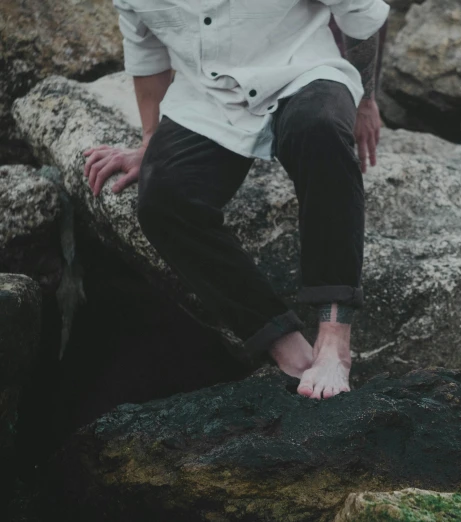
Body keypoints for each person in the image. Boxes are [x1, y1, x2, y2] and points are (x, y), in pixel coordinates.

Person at [82, 0, 390, 400]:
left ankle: (334, 338)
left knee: (321, 131)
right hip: (207, 101)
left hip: (304, 72)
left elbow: (363, 13)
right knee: (163, 199)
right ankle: (285, 343)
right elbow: (147, 51)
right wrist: (149, 141)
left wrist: (365, 101)